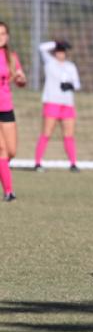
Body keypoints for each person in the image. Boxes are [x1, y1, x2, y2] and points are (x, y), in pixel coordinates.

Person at [34, 39, 81, 172]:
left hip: (67, 104)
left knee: (69, 135)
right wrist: (56, 43)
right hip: (52, 103)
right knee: (46, 133)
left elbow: (77, 84)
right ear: (55, 52)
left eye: (63, 51)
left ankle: (73, 163)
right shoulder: (50, 63)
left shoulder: (70, 66)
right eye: (58, 51)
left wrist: (70, 85)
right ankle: (38, 163)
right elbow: (41, 47)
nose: (61, 54)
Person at [0, 21, 27, 202]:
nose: (0, 37)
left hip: (6, 108)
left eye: (3, 33)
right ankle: (9, 191)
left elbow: (20, 81)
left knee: (11, 151)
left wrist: (20, 78)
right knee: (1, 150)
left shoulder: (11, 56)